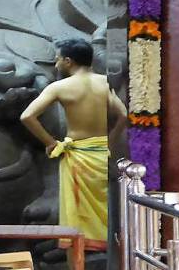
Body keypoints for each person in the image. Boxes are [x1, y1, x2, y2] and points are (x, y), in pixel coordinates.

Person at [20, 38, 127, 253]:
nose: (56, 63)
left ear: (68, 61)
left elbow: (27, 116)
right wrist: (111, 142)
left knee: (75, 221)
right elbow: (123, 115)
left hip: (77, 158)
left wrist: (50, 142)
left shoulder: (60, 87)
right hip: (100, 155)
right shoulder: (104, 83)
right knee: (106, 213)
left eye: (57, 59)